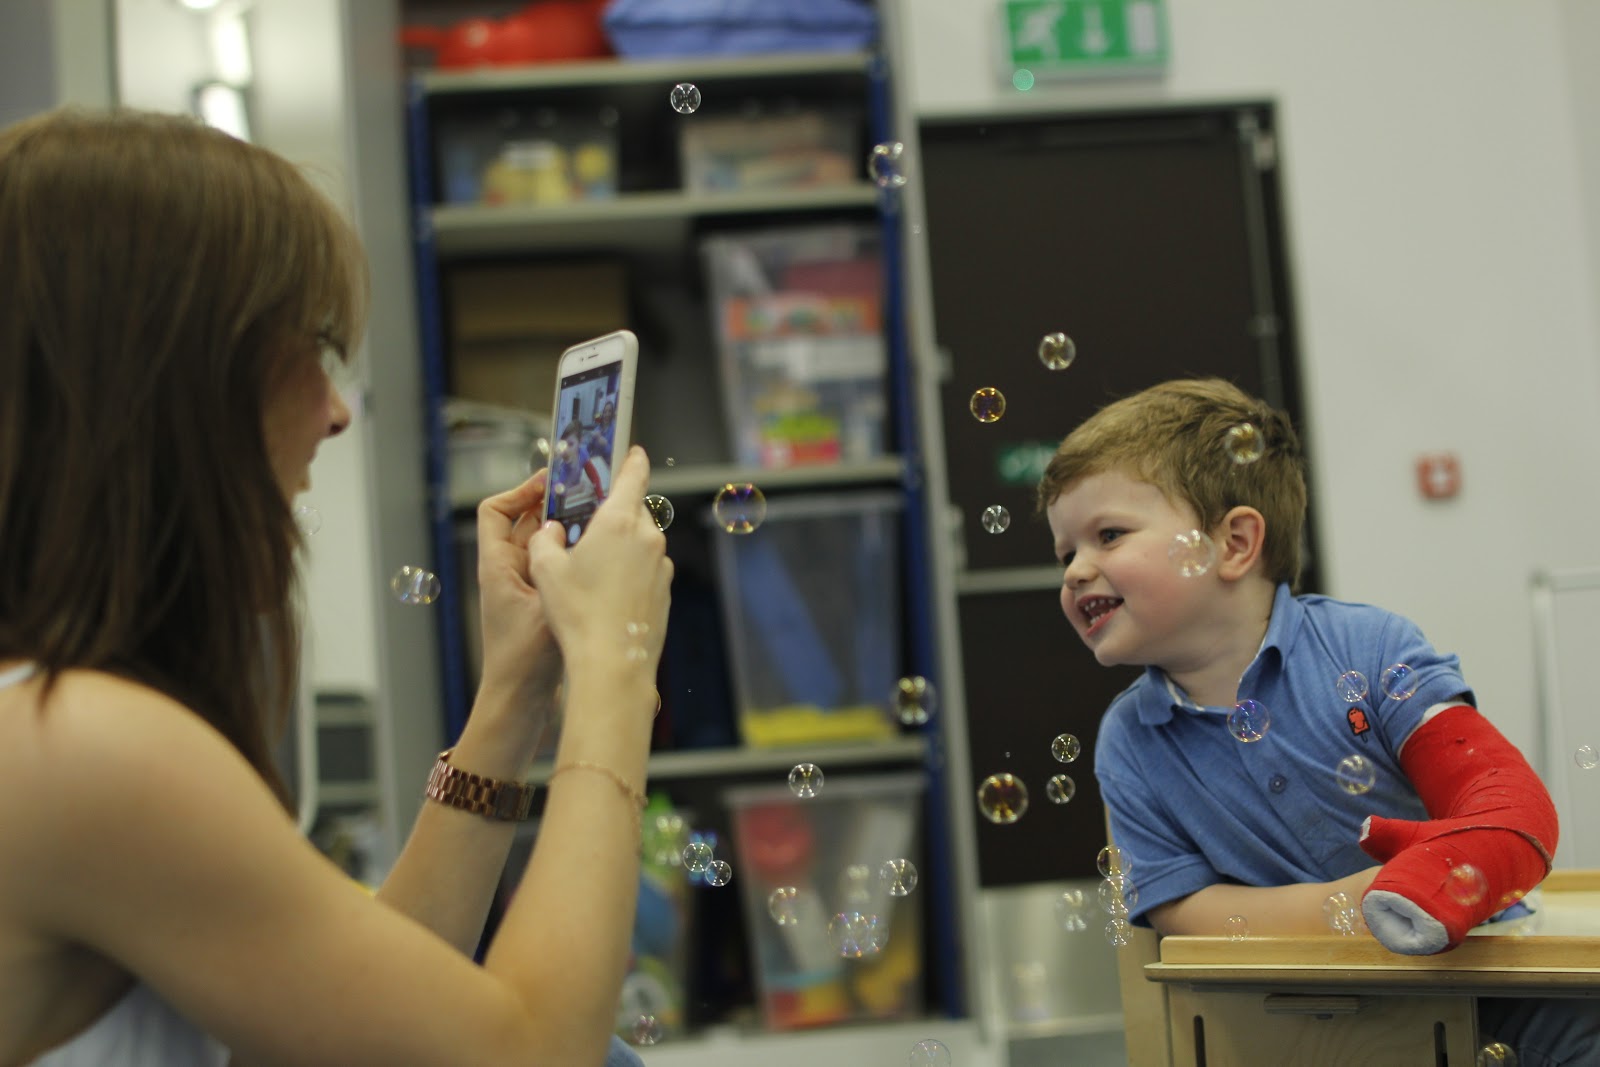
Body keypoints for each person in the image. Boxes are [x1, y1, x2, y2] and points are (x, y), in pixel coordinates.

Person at [0, 108, 670, 1066]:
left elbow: (360, 1033)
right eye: (307, 346)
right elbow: (530, 1054)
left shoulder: (49, 722)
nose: (337, 411)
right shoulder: (81, 745)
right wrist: (615, 668)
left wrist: (516, 692)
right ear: (178, 378)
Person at [1038, 377, 1598, 1065]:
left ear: (1235, 542)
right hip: (1318, 1032)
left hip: (1511, 995)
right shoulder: (1130, 740)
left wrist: (1442, 874)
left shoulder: (1370, 649)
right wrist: (1350, 904)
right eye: (1066, 552)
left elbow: (1500, 797)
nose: (1074, 572)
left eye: (1108, 535)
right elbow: (1183, 913)